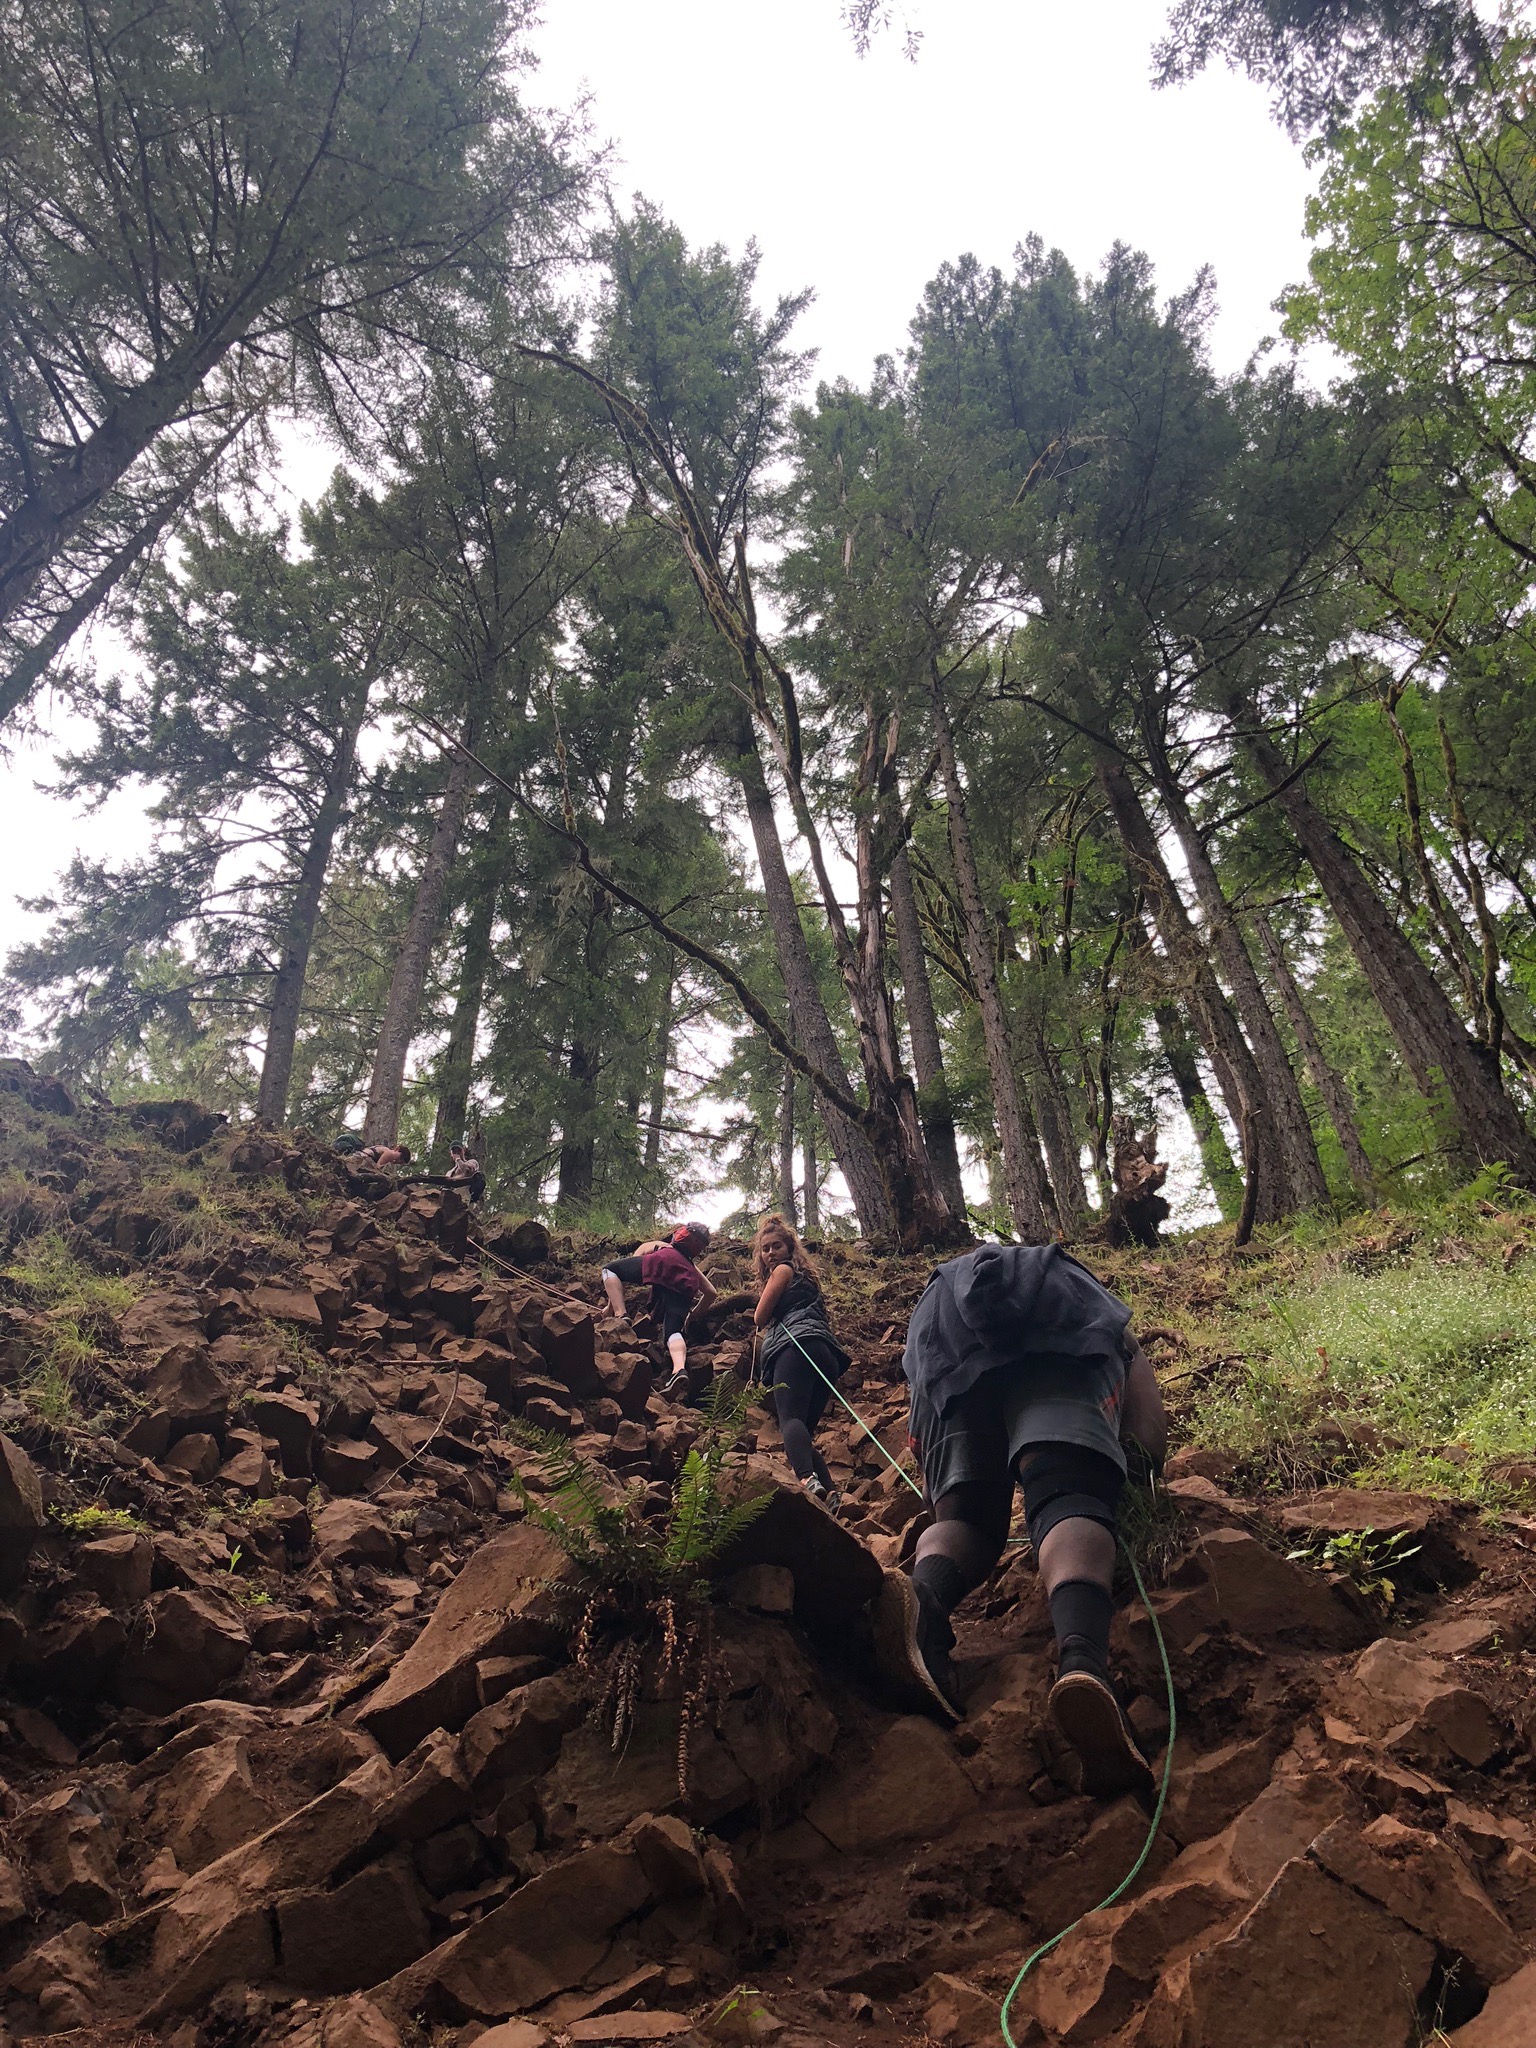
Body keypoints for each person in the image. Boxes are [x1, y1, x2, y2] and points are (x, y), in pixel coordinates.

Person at [873, 1241, 1167, 1799]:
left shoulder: (945, 1291)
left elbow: (922, 1438)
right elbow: (1148, 1435)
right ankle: (1083, 1663)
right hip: (1059, 1326)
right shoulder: (1096, 1306)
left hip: (940, 1333)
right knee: (1067, 1494)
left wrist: (954, 1493)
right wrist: (1132, 1478)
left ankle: (923, 1607)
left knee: (971, 1519)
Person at [750, 1213, 849, 1509]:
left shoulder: (782, 1271)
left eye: (776, 1246)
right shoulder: (807, 1278)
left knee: (789, 1421)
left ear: (789, 1248)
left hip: (795, 1348)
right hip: (825, 1354)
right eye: (765, 1249)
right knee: (801, 1430)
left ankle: (806, 1478)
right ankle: (830, 1492)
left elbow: (759, 1317)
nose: (770, 1254)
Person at [602, 1224, 717, 1397]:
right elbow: (711, 1293)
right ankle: (679, 1369)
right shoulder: (691, 1267)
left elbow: (630, 1266)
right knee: (673, 1331)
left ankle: (622, 1315)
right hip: (687, 1282)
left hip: (662, 1261)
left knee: (610, 1270)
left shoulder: (661, 1246)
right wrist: (692, 1316)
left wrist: (614, 1308)